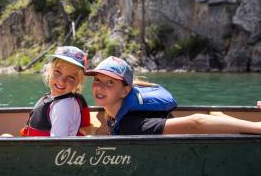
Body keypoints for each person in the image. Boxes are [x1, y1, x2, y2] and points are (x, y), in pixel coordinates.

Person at [85, 56, 261, 135]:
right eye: (98, 80)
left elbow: (196, 123)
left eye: (110, 83)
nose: (100, 87)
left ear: (125, 91)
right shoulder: (114, 114)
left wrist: (257, 128)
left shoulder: (132, 125)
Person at [21, 46, 90, 137]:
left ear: (78, 82)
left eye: (71, 77)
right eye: (58, 72)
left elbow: (57, 145)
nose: (62, 81)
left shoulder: (62, 107)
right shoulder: (59, 99)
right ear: (49, 70)